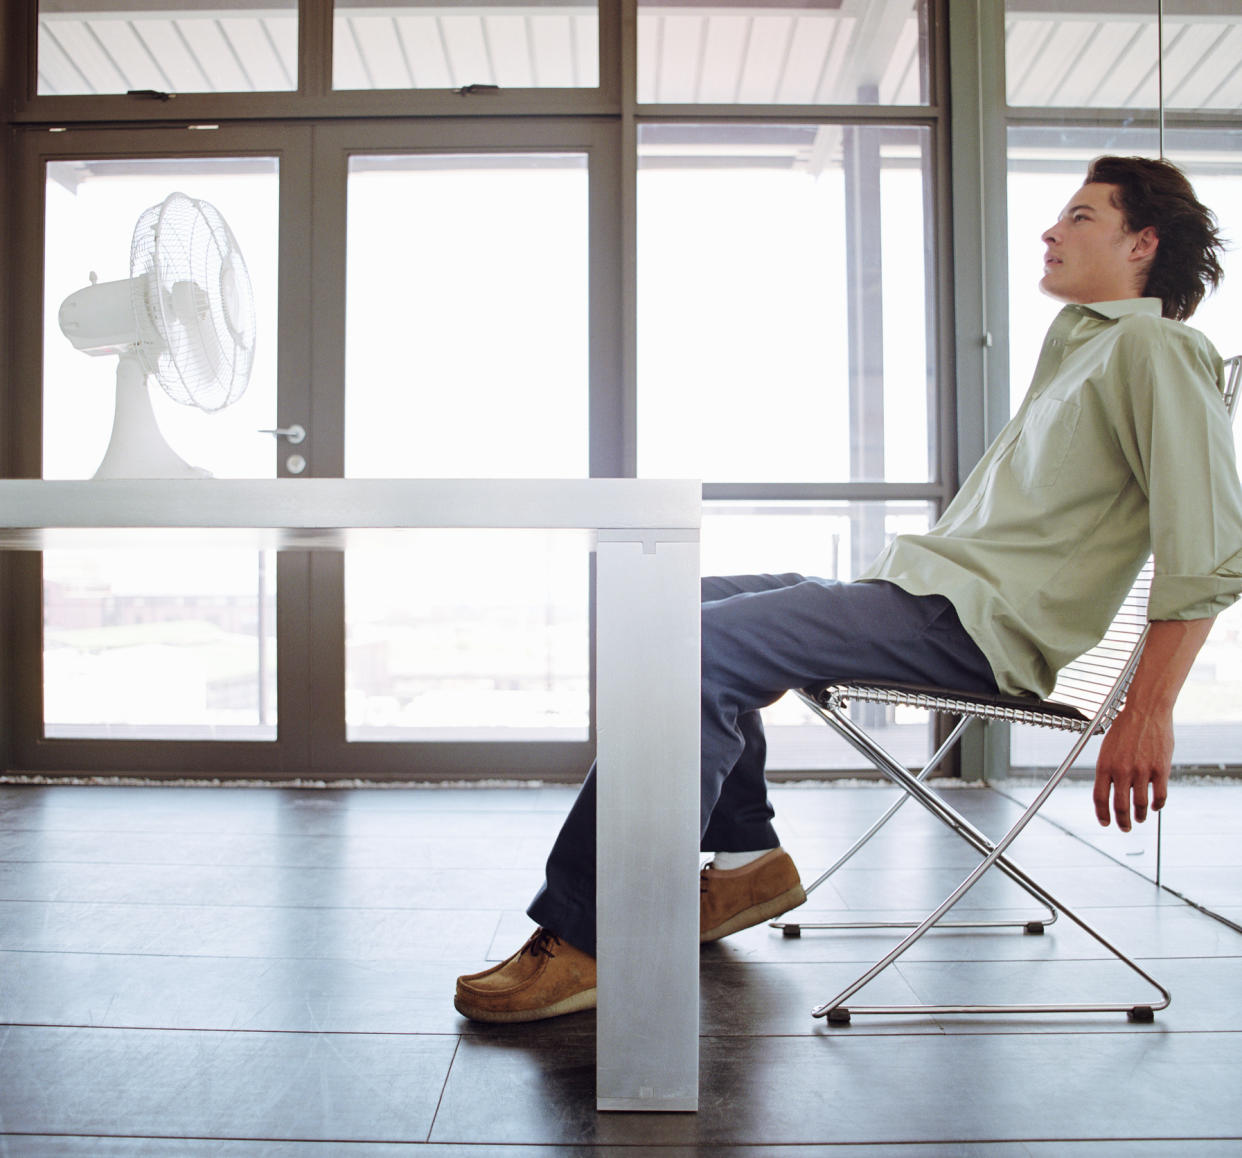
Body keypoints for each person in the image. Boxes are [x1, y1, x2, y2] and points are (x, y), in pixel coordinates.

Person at [454, 155, 1242, 1024]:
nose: (1052, 231)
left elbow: (1207, 544)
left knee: (702, 646)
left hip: (970, 627)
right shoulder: (1084, 352)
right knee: (669, 606)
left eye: (1081, 217)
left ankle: (596, 933)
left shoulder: (1157, 347)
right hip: (920, 594)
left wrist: (1150, 706)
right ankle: (746, 861)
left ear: (1144, 242)